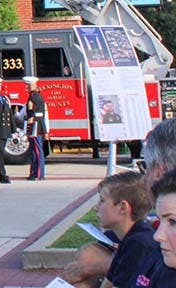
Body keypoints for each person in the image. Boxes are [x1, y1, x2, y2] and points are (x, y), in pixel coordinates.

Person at [64, 118, 176, 288]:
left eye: (172, 221)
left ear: (160, 171)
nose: (158, 235)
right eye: (163, 221)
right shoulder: (155, 248)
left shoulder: (146, 245)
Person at [94, 172, 155, 288]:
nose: (96, 207)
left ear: (123, 207)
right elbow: (108, 283)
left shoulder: (138, 244)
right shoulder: (128, 238)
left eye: (102, 200)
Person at [22, 76, 49, 181]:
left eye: (28, 85)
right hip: (36, 126)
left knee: (37, 151)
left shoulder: (34, 98)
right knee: (34, 150)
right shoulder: (36, 97)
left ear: (33, 85)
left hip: (36, 127)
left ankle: (38, 173)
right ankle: (34, 173)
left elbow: (33, 115)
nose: (27, 87)